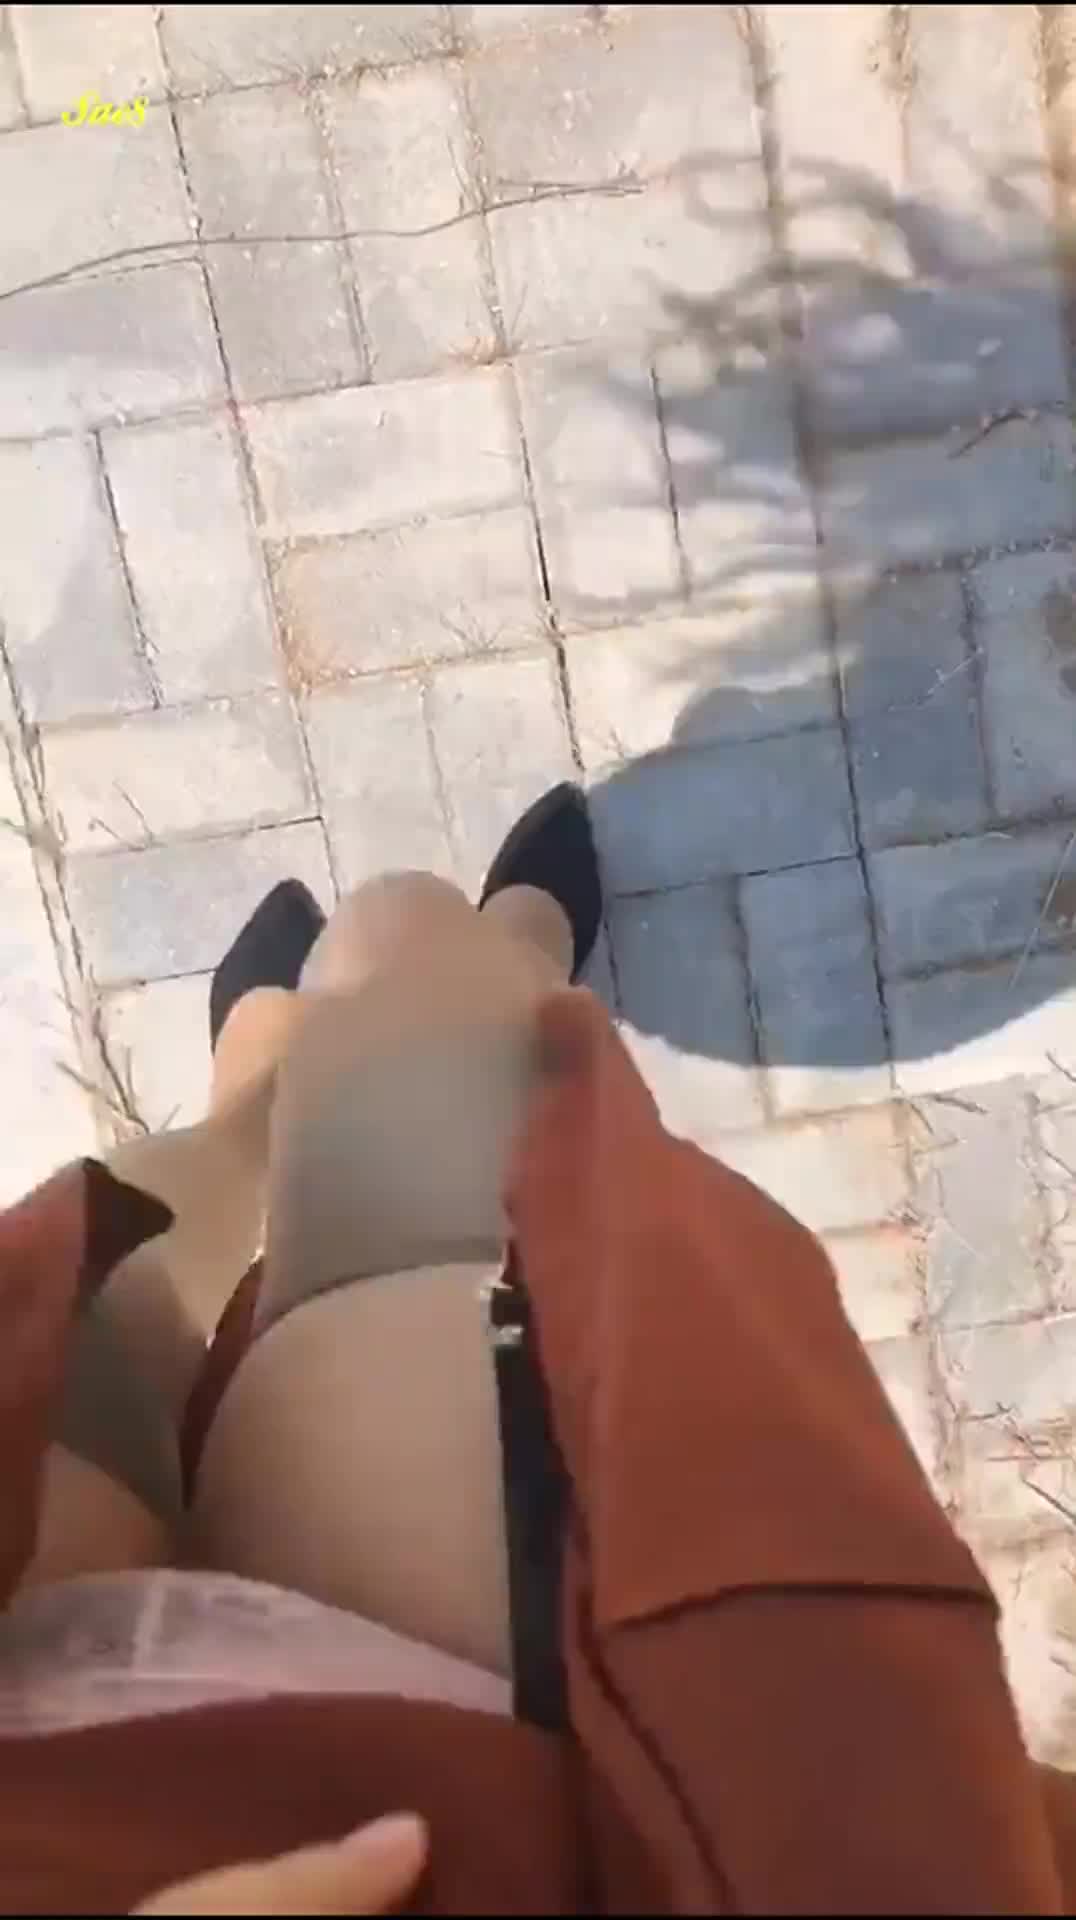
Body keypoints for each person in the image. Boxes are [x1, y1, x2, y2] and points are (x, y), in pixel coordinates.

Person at [1, 780, 1075, 1913]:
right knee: (401, 947)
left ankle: (252, 1092)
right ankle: (507, 961)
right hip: (489, 1794)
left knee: (104, 1276)